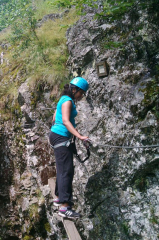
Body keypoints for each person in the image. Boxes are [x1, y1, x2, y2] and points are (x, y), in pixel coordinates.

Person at [49, 77, 90, 219]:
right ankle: (65, 206)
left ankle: (60, 197)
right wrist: (80, 136)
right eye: (81, 93)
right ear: (75, 89)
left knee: (62, 168)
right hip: (61, 136)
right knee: (66, 170)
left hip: (57, 135)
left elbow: (55, 117)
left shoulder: (63, 99)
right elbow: (65, 121)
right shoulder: (67, 101)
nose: (81, 96)